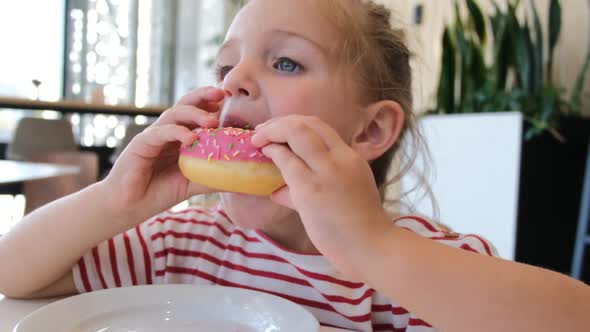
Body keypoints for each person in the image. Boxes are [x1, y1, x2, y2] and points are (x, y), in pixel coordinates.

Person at [1, 0, 589, 331]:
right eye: (225, 65)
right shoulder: (184, 243)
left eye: (284, 63)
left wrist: (371, 248)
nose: (233, 80)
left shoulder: (409, 264)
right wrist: (111, 201)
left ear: (370, 129)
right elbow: (10, 276)